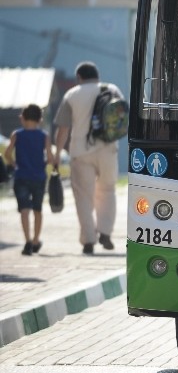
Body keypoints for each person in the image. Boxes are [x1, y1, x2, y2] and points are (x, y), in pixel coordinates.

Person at [52, 62, 122, 255]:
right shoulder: (112, 89)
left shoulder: (72, 94)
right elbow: (122, 118)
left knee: (83, 197)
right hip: (108, 149)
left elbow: (63, 129)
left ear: (79, 77)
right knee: (107, 190)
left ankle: (89, 240)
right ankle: (105, 232)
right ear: (97, 75)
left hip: (81, 152)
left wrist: (57, 154)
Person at [3, 104, 57, 255]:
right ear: (40, 119)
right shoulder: (44, 136)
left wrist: (14, 163)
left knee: (24, 210)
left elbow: (7, 153)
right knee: (37, 209)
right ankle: (35, 240)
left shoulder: (16, 134)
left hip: (21, 176)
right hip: (39, 177)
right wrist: (44, 163)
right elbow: (50, 157)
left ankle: (27, 241)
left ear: (22, 118)